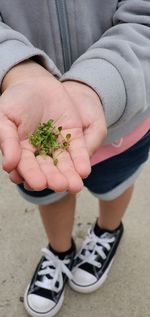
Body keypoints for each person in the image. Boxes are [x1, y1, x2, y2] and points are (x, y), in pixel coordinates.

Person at [0, 1, 150, 317]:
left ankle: (107, 232)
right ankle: (60, 252)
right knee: (50, 189)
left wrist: (99, 84)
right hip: (28, 118)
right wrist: (16, 67)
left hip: (125, 113)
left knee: (117, 183)